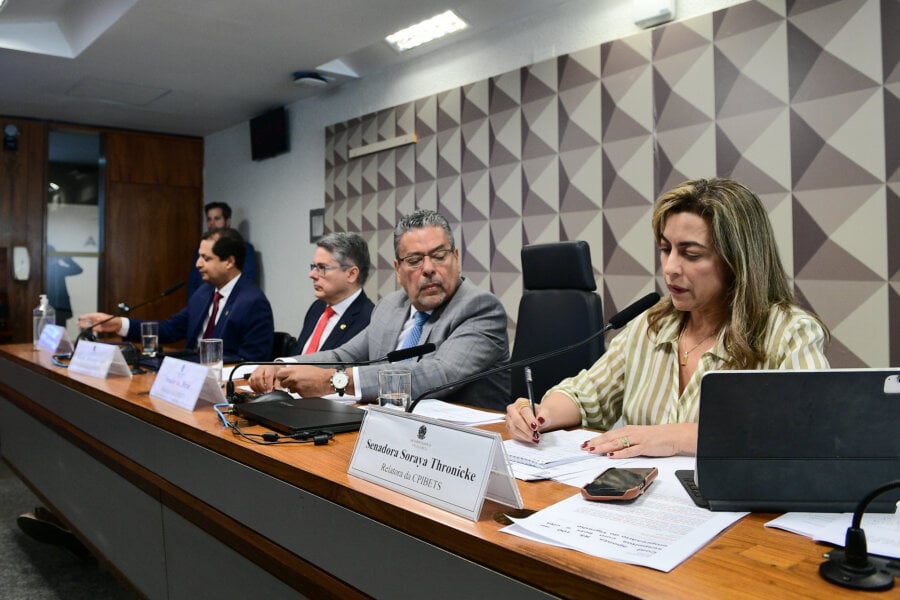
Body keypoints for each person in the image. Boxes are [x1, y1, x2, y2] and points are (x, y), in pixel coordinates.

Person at [505, 178, 830, 456]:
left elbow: (814, 434)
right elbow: (586, 395)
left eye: (691, 254)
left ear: (737, 262)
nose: (671, 267)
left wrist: (676, 436)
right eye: (665, 249)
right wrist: (540, 416)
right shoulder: (650, 326)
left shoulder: (788, 333)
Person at [249, 209, 511, 410]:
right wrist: (282, 365)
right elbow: (345, 355)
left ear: (456, 258)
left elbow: (437, 374)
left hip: (457, 452)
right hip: (386, 435)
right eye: (415, 260)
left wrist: (335, 381)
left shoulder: (479, 308)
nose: (429, 268)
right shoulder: (390, 306)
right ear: (398, 270)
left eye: (439, 255)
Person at [80, 227, 273, 362]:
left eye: (206, 258)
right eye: (199, 256)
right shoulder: (205, 292)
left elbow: (251, 363)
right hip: (190, 375)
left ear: (229, 262)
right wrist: (118, 324)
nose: (198, 264)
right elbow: (169, 330)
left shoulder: (253, 302)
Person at [292, 232, 374, 355]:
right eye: (314, 267)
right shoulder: (317, 308)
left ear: (351, 274)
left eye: (322, 268)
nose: (312, 275)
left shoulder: (369, 319)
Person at [187, 202, 258, 296]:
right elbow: (193, 282)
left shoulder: (245, 249)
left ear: (227, 222)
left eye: (217, 219)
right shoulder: (201, 249)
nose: (212, 224)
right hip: (202, 303)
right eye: (209, 219)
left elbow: (247, 280)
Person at [46, 244, 83, 328]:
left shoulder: (58, 268)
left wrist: (65, 258)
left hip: (61, 308)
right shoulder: (42, 268)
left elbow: (78, 269)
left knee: (61, 333)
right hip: (45, 307)